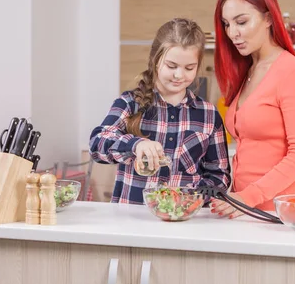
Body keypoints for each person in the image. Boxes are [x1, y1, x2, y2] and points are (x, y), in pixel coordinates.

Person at [89, 18, 231, 205]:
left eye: (189, 68)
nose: (179, 75)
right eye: (171, 66)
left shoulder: (208, 115)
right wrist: (136, 144)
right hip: (131, 223)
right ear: (155, 60)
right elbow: (97, 144)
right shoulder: (130, 103)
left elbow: (219, 176)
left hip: (184, 223)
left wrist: (190, 198)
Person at [210, 0, 295, 219]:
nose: (232, 33)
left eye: (242, 22)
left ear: (268, 18)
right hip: (241, 207)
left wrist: (248, 197)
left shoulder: (291, 72)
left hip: (275, 213)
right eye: (226, 24)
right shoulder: (248, 70)